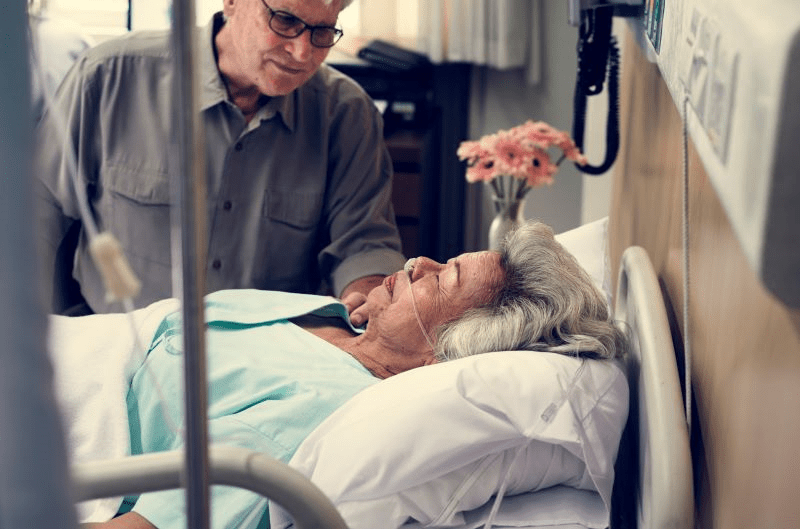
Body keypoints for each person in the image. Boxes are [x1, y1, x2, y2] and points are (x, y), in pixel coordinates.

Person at [79, 221, 627, 529]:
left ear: (448, 350)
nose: (418, 265)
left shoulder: (316, 412)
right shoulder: (339, 318)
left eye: (440, 280)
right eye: (443, 259)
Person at [34, 0, 406, 316]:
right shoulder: (109, 77)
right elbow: (34, 215)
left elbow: (363, 243)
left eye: (323, 31)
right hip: (118, 352)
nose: (302, 52)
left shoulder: (346, 113)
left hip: (264, 366)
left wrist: (369, 294)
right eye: (286, 21)